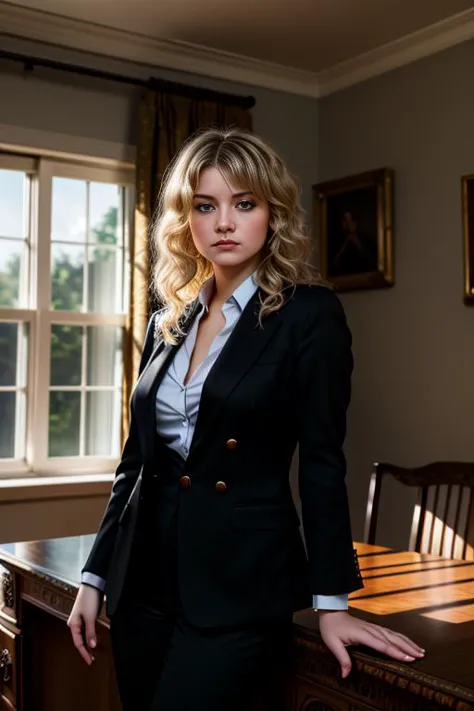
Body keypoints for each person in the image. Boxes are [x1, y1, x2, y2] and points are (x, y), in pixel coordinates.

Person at [67, 127, 424, 711]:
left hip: (240, 585)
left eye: (244, 204)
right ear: (187, 220)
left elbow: (323, 463)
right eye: (206, 206)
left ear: (272, 214)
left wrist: (331, 602)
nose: (225, 223)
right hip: (143, 587)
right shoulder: (170, 319)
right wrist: (96, 576)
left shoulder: (309, 313)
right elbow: (134, 467)